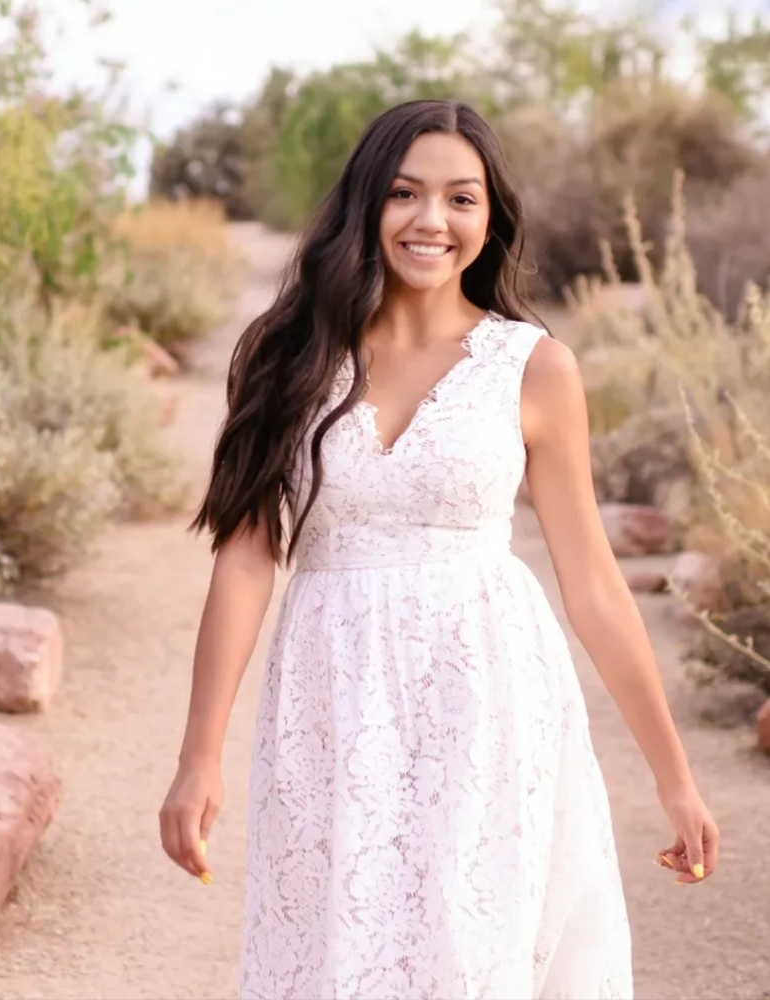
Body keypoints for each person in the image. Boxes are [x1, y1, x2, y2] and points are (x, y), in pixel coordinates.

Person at [159, 98, 719, 1000]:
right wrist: (199, 757)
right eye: (403, 193)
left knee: (470, 944)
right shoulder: (288, 355)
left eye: (461, 199)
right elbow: (245, 560)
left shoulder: (533, 367)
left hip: (489, 694)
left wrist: (676, 779)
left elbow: (594, 587)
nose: (431, 220)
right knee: (338, 947)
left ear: (489, 217)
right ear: (364, 206)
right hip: (329, 697)